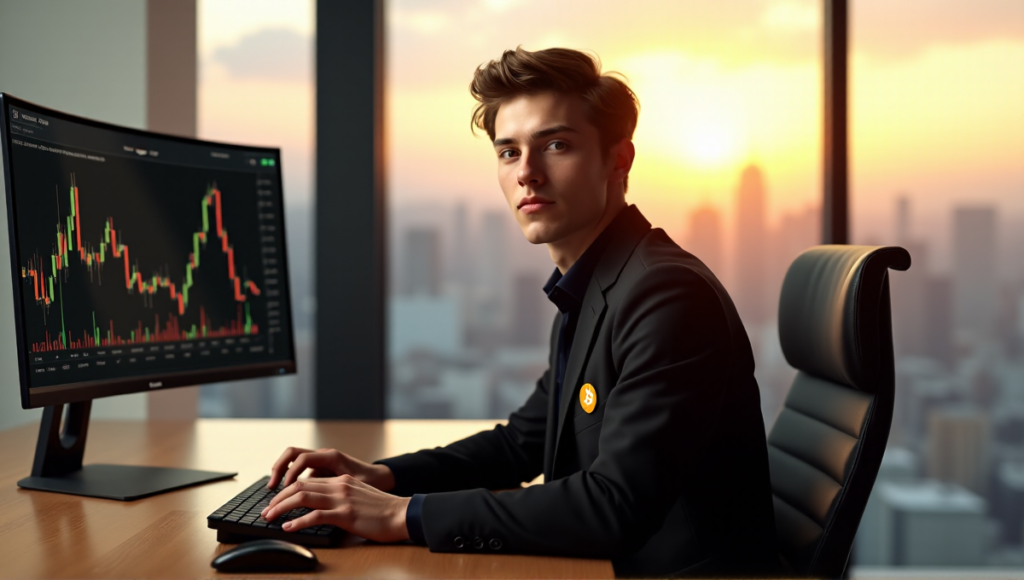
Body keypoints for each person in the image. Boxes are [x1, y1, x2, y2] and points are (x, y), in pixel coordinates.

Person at [260, 46, 778, 577]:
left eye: (556, 145)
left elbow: (614, 505)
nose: (528, 173)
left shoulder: (666, 295)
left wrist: (402, 516)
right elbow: (520, 443)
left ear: (618, 160)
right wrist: (381, 478)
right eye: (509, 152)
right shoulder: (594, 287)